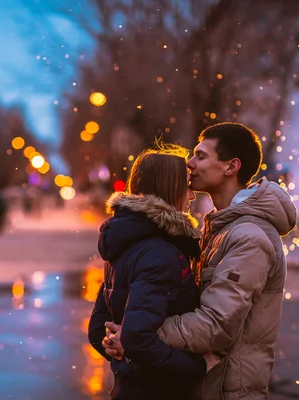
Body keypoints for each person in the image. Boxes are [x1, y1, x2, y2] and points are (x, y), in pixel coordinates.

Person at [103, 122, 298, 400]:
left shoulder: (249, 236)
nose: (190, 164)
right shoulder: (219, 226)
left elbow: (217, 324)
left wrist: (135, 335)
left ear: (231, 167)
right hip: (205, 385)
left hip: (228, 389)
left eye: (201, 156)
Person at [88, 144, 208, 399]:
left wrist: (121, 353)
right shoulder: (160, 252)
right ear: (169, 189)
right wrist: (197, 367)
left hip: (127, 387)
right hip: (159, 390)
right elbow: (138, 337)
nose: (192, 196)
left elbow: (98, 329)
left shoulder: (126, 241)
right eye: (187, 186)